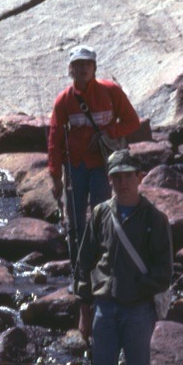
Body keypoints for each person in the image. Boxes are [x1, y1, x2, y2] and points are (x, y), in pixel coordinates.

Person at [74, 150, 173, 365]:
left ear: (139, 177)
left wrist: (138, 287)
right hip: (104, 308)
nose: (123, 183)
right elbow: (84, 263)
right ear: (109, 180)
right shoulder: (100, 214)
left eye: (128, 176)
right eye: (117, 177)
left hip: (139, 310)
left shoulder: (155, 219)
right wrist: (84, 309)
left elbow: (164, 271)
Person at [47, 45, 141, 268]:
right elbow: (54, 140)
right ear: (71, 69)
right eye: (78, 64)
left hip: (102, 165)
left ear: (94, 67)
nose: (83, 69)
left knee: (103, 216)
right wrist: (55, 176)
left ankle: (104, 267)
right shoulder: (64, 100)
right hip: (75, 167)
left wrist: (108, 132)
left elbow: (132, 122)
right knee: (75, 223)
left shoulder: (111, 91)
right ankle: (79, 271)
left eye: (87, 64)